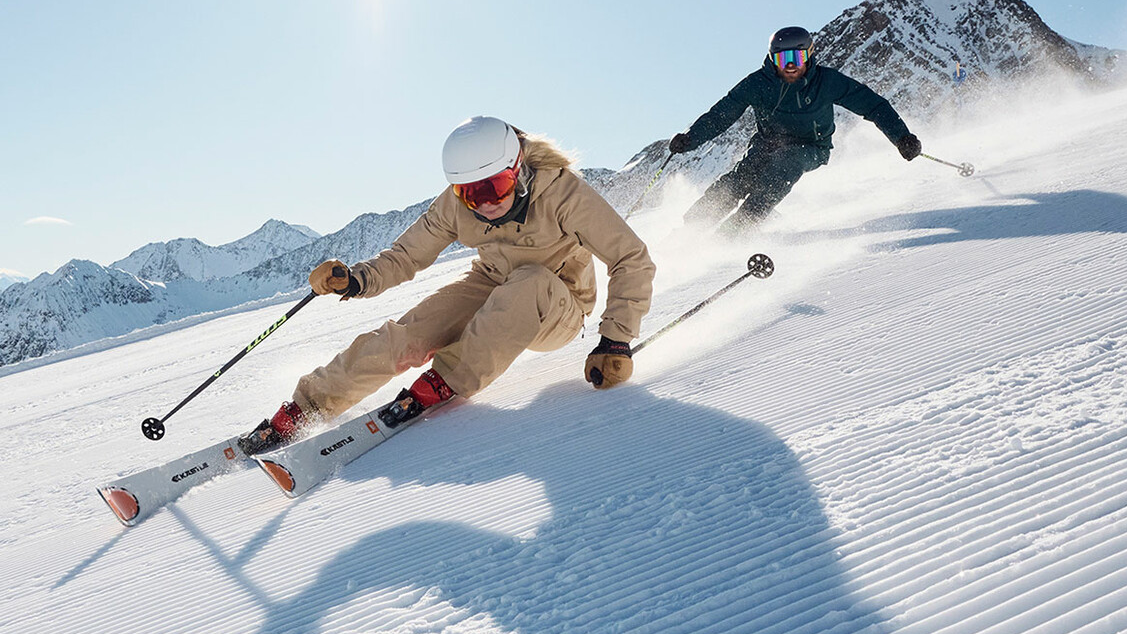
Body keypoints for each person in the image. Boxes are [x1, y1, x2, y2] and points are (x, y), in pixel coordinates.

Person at [240, 117, 655, 453]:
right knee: (408, 334)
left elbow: (631, 257)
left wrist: (615, 339)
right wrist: (356, 279)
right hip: (492, 284)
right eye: (470, 193)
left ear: (519, 170)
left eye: (496, 186)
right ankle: (307, 407)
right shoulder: (457, 205)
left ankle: (447, 381)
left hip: (557, 304)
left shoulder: (564, 193)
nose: (485, 202)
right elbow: (407, 255)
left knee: (530, 281)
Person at [666, 25, 922, 232]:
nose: (790, 65)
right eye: (783, 58)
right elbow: (721, 115)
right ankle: (692, 228)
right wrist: (691, 139)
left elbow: (872, 105)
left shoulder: (826, 82)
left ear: (809, 56)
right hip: (768, 143)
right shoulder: (758, 83)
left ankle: (735, 232)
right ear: (772, 59)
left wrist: (901, 137)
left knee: (785, 165)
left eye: (797, 57)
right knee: (742, 175)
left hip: (812, 146)